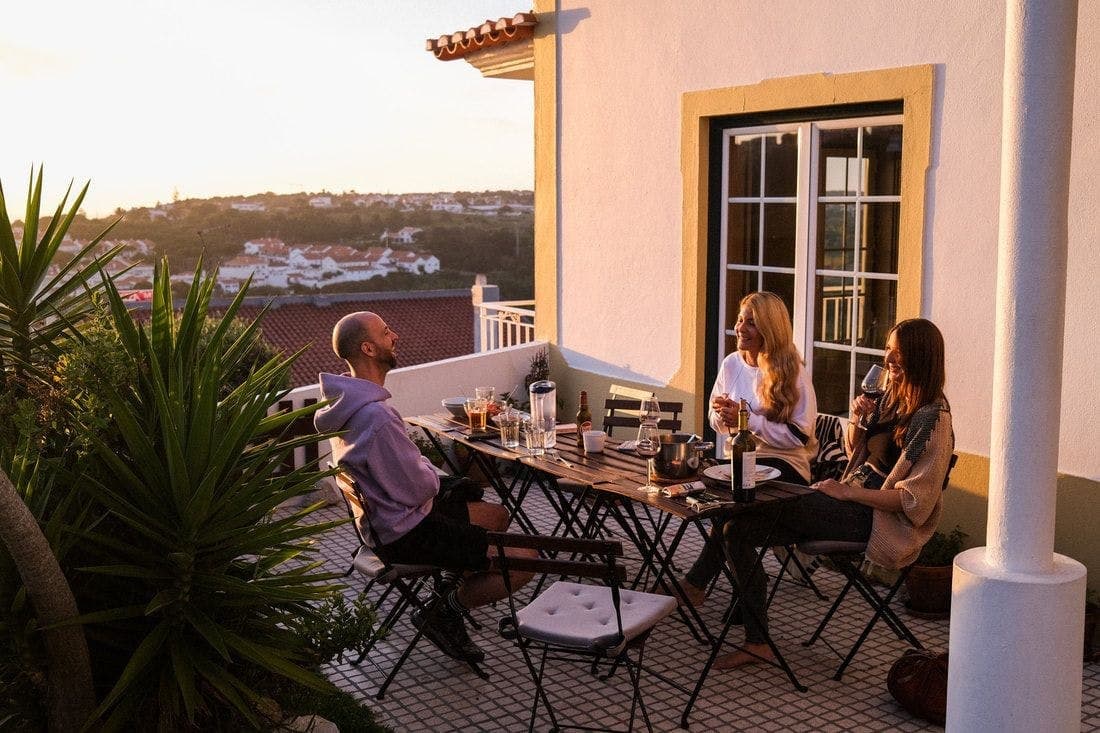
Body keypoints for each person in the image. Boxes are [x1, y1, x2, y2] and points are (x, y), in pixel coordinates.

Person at [714, 317, 954, 670]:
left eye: (897, 353)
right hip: (849, 499)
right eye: (888, 349)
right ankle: (757, 640)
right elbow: (861, 452)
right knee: (735, 529)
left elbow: (913, 500)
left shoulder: (933, 419)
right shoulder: (893, 396)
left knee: (752, 505)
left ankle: (736, 609)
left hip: (878, 518)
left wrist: (846, 493)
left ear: (920, 358)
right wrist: (858, 422)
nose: (888, 360)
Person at [314, 311, 533, 664]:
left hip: (389, 522)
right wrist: (435, 477)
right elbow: (419, 489)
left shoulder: (348, 407)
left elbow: (402, 474)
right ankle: (443, 610)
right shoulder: (376, 417)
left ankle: (451, 582)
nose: (395, 335)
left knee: (495, 515)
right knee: (526, 561)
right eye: (387, 333)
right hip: (407, 532)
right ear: (369, 348)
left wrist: (428, 474)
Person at [668, 291, 818, 607]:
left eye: (751, 322)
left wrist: (745, 418)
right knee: (721, 514)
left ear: (770, 329)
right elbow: (714, 418)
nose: (740, 328)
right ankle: (744, 587)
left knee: (726, 512)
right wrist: (726, 417)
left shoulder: (793, 371)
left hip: (785, 465)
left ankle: (695, 585)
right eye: (740, 319)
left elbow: (798, 437)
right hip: (738, 459)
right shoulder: (731, 363)